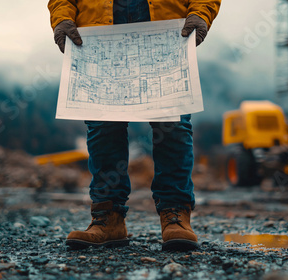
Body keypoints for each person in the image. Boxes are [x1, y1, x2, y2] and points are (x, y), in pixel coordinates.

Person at [48, 0, 221, 251]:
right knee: (103, 129)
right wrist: (62, 18)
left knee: (173, 127)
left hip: (166, 35)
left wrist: (200, 13)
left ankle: (176, 216)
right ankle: (109, 218)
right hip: (99, 36)